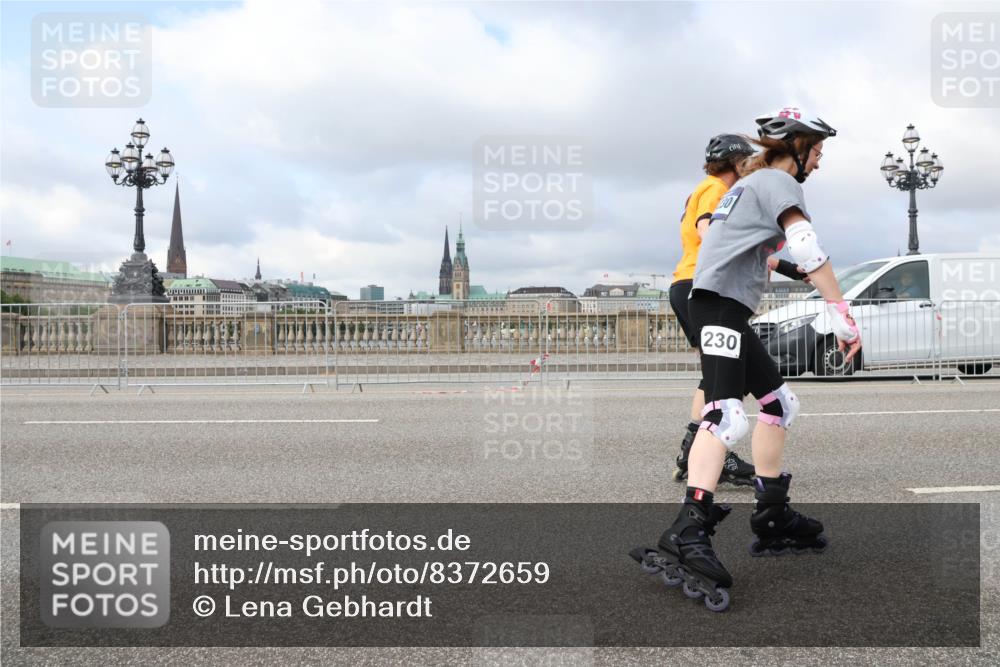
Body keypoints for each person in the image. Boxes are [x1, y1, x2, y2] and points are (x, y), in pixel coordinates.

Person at [632, 107, 861, 612]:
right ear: (796, 147)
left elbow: (726, 243)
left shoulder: (744, 188)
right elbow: (807, 243)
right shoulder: (779, 183)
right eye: (817, 151)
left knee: (779, 403)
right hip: (716, 303)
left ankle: (772, 513)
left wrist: (773, 264)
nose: (819, 162)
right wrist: (840, 310)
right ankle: (688, 531)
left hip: (722, 304)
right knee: (725, 414)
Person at [669, 134, 757, 487]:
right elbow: (710, 230)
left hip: (690, 284)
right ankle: (711, 450)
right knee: (731, 372)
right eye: (748, 162)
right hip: (701, 285)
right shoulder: (716, 189)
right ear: (736, 164)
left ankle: (696, 449)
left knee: (715, 373)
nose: (752, 168)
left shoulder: (703, 188)